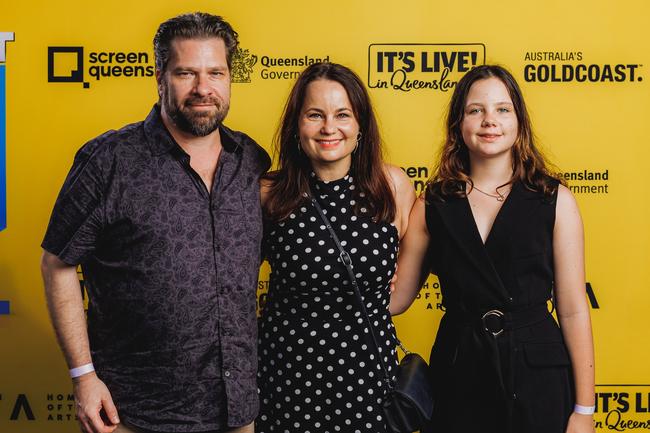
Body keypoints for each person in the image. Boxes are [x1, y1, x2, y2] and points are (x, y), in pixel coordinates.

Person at [40, 12, 270, 433]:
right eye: (186, 72)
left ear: (229, 78)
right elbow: (56, 264)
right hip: (134, 414)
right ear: (160, 76)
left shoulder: (250, 161)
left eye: (215, 72)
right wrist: (83, 377)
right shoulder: (108, 161)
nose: (203, 88)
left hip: (235, 413)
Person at [390, 65, 595, 433]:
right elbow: (395, 299)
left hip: (539, 379)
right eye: (475, 110)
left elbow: (574, 309)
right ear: (458, 123)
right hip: (459, 374)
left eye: (502, 109)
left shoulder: (554, 199)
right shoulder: (432, 204)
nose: (489, 120)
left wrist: (584, 408)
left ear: (519, 122)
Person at [256, 62, 415, 433]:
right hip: (285, 380)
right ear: (297, 125)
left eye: (343, 114)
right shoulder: (268, 194)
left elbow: (405, 280)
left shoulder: (392, 187)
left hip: (369, 382)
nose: (329, 127)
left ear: (361, 125)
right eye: (315, 115)